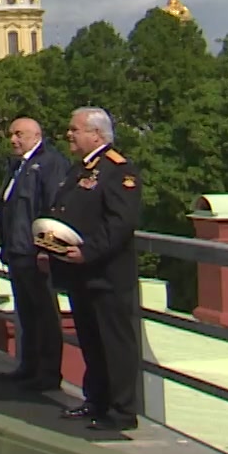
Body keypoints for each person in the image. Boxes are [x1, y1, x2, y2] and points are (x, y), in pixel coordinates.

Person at [44, 107, 144, 430]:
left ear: (96, 134)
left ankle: (121, 411)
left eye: (75, 130)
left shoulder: (118, 170)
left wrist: (87, 252)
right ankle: (96, 400)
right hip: (79, 273)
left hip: (107, 274)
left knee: (114, 343)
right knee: (90, 340)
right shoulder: (79, 170)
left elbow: (120, 223)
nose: (68, 135)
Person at [0, 117, 69, 391]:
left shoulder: (50, 163)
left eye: (19, 134)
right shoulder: (18, 166)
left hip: (35, 254)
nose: (13, 139)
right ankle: (28, 367)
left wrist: (46, 250)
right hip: (17, 251)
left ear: (36, 135)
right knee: (26, 312)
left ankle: (48, 373)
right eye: (11, 134)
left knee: (44, 313)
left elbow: (53, 208)